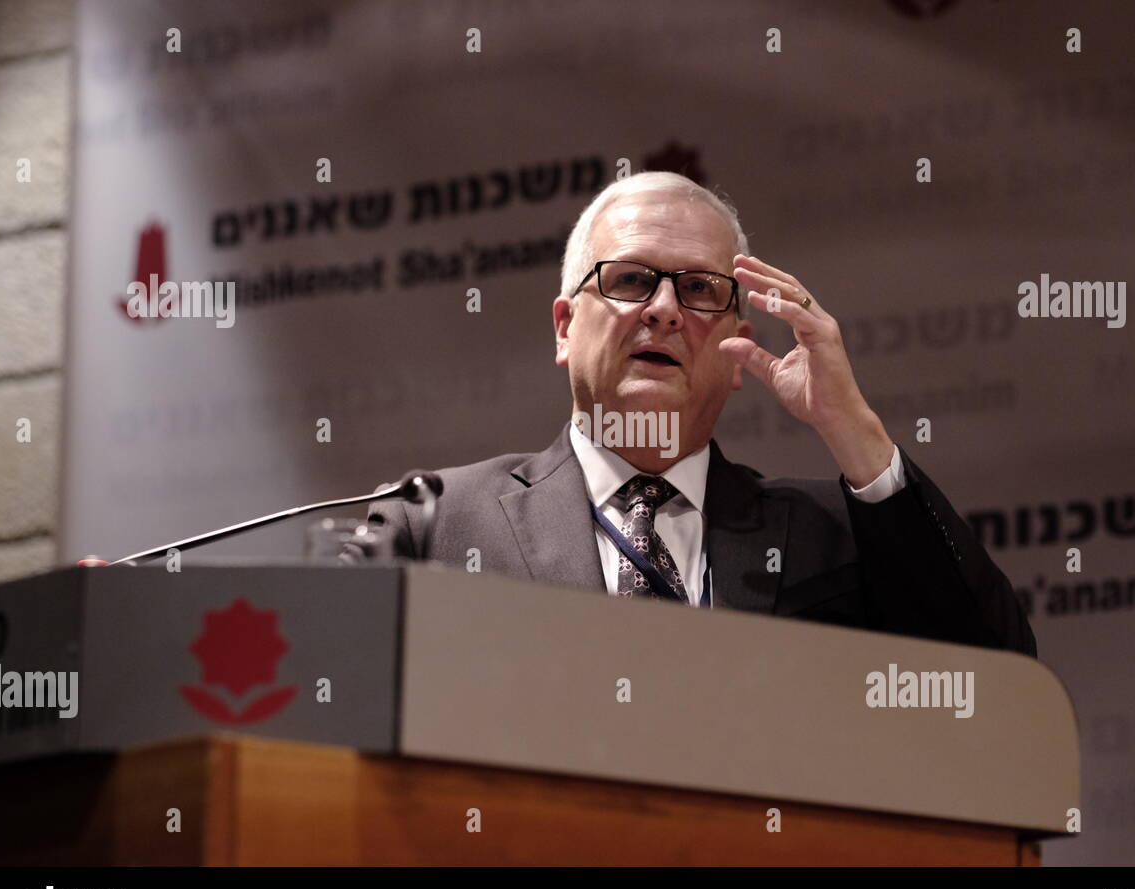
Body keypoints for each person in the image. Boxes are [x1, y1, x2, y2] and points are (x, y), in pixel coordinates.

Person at [353, 172, 1036, 656]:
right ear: (564, 328)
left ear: (740, 349)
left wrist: (851, 425)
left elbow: (995, 672)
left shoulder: (835, 537)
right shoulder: (434, 522)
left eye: (700, 288)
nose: (664, 309)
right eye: (629, 280)